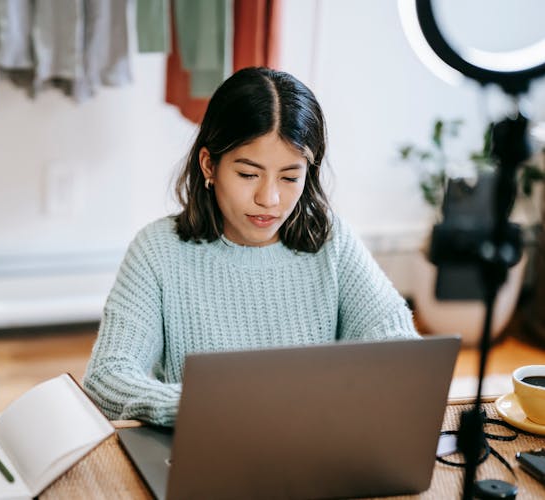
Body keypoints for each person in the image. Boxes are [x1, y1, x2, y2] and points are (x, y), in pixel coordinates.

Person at [83, 67, 419, 427]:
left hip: (315, 446)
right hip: (205, 445)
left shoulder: (331, 242)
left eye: (290, 177)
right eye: (248, 174)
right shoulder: (157, 250)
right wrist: (209, 407)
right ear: (209, 165)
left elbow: (401, 353)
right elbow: (107, 378)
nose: (269, 198)